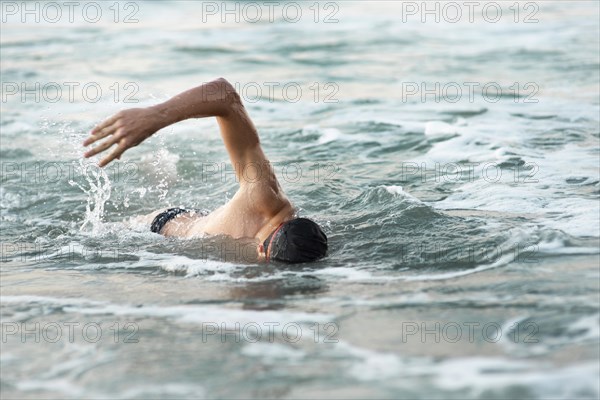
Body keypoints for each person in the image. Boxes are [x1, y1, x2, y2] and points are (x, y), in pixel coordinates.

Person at [83, 78, 328, 263]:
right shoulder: (265, 195)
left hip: (209, 226)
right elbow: (224, 94)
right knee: (95, 236)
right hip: (162, 227)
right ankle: (157, 168)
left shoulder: (299, 242)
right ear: (262, 251)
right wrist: (155, 116)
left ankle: (163, 172)